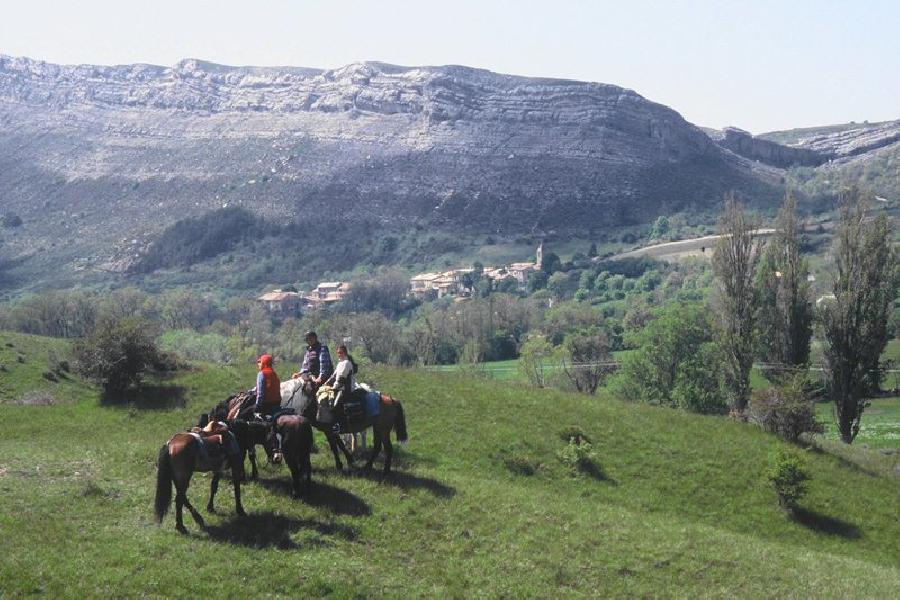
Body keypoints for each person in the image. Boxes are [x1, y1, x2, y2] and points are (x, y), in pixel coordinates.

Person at [325, 344, 359, 431]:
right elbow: (334, 376)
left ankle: (339, 425)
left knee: (334, 406)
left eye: (341, 353)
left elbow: (341, 379)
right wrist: (325, 384)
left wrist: (333, 388)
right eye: (338, 353)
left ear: (345, 353)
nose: (339, 354)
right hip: (339, 388)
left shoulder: (347, 363)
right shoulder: (340, 363)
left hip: (345, 390)